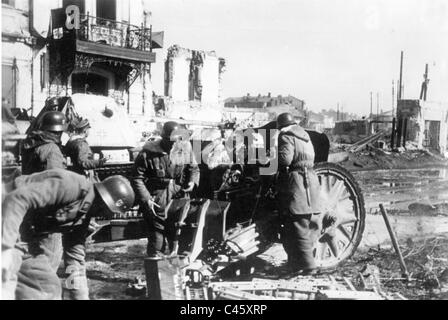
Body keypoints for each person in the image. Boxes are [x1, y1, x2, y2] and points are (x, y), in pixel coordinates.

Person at [1, 169, 135, 300]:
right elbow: (16, 199)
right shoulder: (71, 185)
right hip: (7, 220)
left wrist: (79, 296)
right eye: (108, 211)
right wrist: (6, 248)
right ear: (102, 202)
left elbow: (74, 261)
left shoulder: (83, 217)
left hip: (25, 237)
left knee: (47, 286)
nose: (106, 216)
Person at [131, 121, 200, 257]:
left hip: (179, 198)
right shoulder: (148, 153)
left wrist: (192, 182)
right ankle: (157, 272)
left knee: (180, 237)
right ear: (164, 138)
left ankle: (178, 273)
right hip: (157, 199)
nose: (174, 144)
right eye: (171, 141)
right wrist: (147, 199)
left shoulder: (185, 148)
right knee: (157, 240)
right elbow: (137, 178)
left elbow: (194, 168)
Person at [276, 112, 322, 274]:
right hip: (311, 180)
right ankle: (295, 264)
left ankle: (309, 266)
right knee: (305, 224)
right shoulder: (305, 137)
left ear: (281, 126)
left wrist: (272, 159)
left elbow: (285, 160)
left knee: (298, 225)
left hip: (297, 183)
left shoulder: (286, 136)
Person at [21, 111, 67, 175]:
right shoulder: (52, 149)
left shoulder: (32, 142)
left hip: (29, 183)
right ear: (59, 132)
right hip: (43, 184)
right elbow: (55, 178)